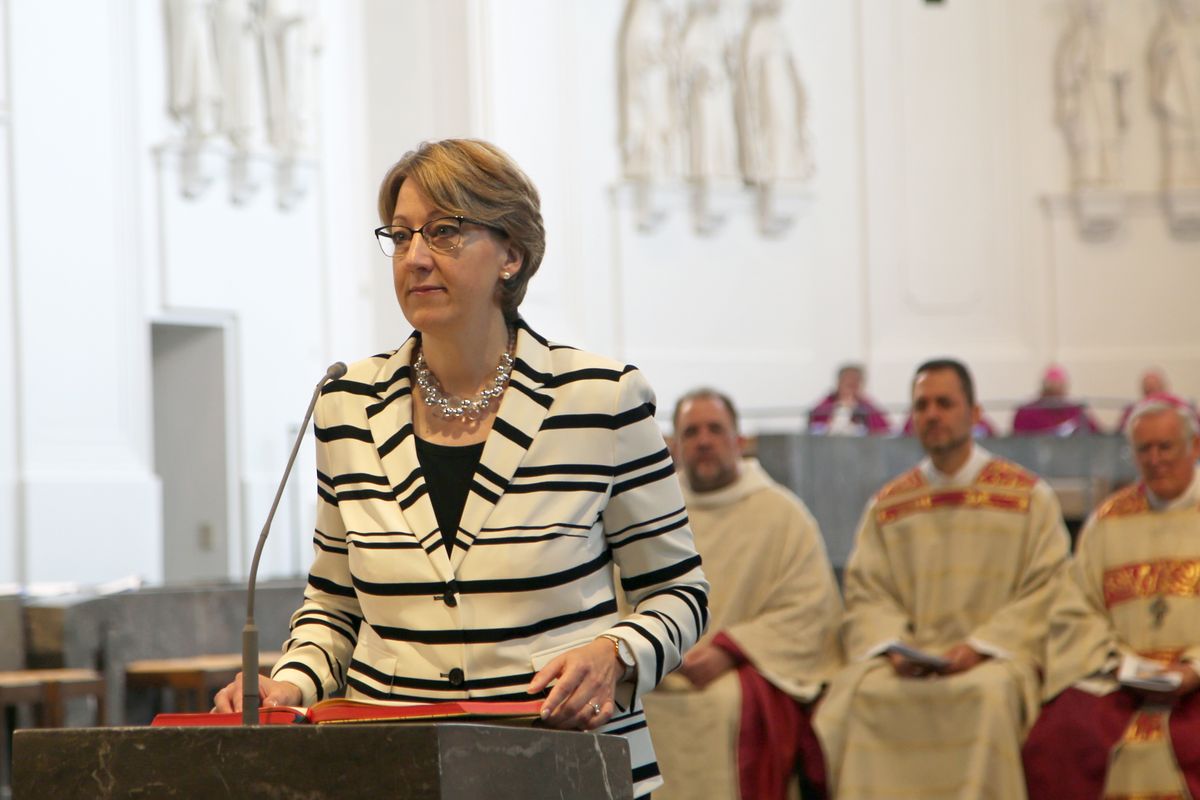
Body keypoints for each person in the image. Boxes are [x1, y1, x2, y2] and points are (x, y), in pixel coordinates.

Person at [213, 139, 709, 799]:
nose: (415, 256)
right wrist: (288, 684)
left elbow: (679, 594)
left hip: (560, 762)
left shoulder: (601, 400)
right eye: (400, 235)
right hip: (392, 770)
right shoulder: (346, 405)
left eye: (444, 231)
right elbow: (334, 607)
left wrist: (614, 655)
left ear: (511, 254)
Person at [814, 358, 1070, 800]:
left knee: (987, 698)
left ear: (974, 413)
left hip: (993, 661)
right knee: (863, 695)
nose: (932, 414)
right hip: (908, 664)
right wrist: (895, 647)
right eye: (922, 405)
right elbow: (867, 593)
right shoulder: (889, 507)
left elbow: (1048, 588)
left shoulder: (1028, 497)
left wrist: (979, 647)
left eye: (945, 403)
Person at [642, 388, 842, 800]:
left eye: (715, 429)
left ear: (739, 440)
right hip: (662, 672)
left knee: (723, 704)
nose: (704, 441)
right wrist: (660, 651)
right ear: (674, 446)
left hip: (739, 672)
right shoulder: (652, 516)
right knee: (633, 706)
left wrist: (730, 651)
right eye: (691, 432)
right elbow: (621, 599)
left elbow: (809, 610)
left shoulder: (783, 515)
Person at [1023, 395, 1200, 799]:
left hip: (1196, 682)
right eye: (1143, 449)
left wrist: (1193, 669)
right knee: (1056, 738)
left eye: (1165, 447)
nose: (1155, 459)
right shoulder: (1106, 522)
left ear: (1195, 446)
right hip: (1121, 682)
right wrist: (1120, 664)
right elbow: (1075, 611)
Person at [1011, 363, 1101, 435]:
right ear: (1044, 389)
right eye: (1052, 390)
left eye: (1060, 388)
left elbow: (1096, 436)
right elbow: (1018, 441)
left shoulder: (1076, 411)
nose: (1056, 395)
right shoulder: (1026, 412)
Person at [807, 364, 891, 435]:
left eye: (855, 385)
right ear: (839, 383)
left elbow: (883, 431)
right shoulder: (825, 406)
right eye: (848, 385)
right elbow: (814, 429)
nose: (851, 390)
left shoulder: (867, 407)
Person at [1115, 366, 1169, 432]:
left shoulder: (1173, 411)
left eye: (1153, 389)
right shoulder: (1130, 411)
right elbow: (1120, 433)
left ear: (1163, 388)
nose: (1151, 397)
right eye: (1147, 389)